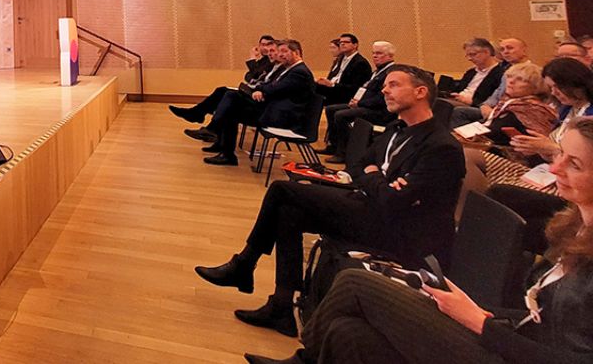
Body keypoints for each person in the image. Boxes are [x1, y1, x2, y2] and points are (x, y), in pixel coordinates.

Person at [244, 117, 593, 364]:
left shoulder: (439, 145)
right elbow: (539, 316)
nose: (555, 168)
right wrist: (476, 312)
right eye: (559, 154)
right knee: (346, 333)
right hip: (506, 334)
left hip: (505, 349)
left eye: (574, 164)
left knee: (353, 282)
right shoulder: (572, 227)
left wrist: (480, 323)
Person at [195, 65, 465, 337]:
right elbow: (358, 165)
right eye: (385, 84)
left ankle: (245, 264)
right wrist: (379, 179)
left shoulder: (442, 147)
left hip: (398, 232)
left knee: (282, 189)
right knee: (288, 213)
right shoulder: (396, 127)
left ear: (420, 92)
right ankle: (281, 306)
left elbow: (391, 200)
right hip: (371, 208)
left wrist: (373, 177)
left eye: (394, 84)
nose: (384, 90)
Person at [479, 58, 593, 253]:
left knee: (502, 204)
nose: (554, 93)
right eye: (551, 88)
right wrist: (540, 148)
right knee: (494, 194)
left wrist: (551, 148)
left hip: (566, 184)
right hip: (547, 169)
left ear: (575, 83)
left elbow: (577, 155)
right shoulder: (567, 109)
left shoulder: (587, 116)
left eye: (558, 87)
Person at [201, 39, 313, 166]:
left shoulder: (299, 72)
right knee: (231, 101)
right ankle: (223, 147)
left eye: (284, 51)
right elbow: (272, 86)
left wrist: (260, 90)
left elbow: (275, 88)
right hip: (274, 110)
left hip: (283, 117)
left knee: (231, 103)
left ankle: (220, 140)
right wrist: (261, 90)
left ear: (296, 53)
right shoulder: (291, 69)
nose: (280, 55)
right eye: (280, 51)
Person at [170, 35, 279, 138]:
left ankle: (207, 124)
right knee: (221, 91)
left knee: (228, 95)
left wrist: (252, 59)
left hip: (259, 99)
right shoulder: (264, 60)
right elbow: (249, 76)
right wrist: (253, 73)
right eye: (263, 45)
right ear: (259, 46)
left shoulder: (272, 61)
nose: (266, 48)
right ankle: (200, 117)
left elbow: (255, 76)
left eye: (269, 46)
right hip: (253, 91)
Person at [319, 41, 398, 159]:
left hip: (380, 111)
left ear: (390, 56)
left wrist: (359, 103)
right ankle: (333, 146)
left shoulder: (390, 73)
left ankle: (343, 153)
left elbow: (381, 99)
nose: (375, 56)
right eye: (373, 53)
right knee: (331, 109)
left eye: (379, 53)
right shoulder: (377, 71)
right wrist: (355, 100)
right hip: (365, 105)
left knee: (341, 115)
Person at [451, 37, 533, 128]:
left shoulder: (533, 72)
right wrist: (486, 105)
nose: (505, 52)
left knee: (458, 111)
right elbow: (497, 93)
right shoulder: (507, 71)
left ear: (524, 50)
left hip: (512, 111)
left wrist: (493, 108)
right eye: (502, 49)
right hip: (495, 108)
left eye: (510, 48)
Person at [444, 38, 506, 108]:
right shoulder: (471, 72)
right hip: (458, 101)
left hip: (475, 106)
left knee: (442, 105)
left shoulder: (500, 74)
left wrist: (472, 102)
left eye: (473, 54)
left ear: (487, 52)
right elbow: (459, 89)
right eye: (467, 55)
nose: (469, 59)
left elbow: (495, 98)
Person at [315, 33, 371, 106]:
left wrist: (332, 84)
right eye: (341, 42)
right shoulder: (340, 59)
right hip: (334, 89)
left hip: (345, 94)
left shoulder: (360, 62)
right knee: (312, 87)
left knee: (316, 96)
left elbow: (355, 87)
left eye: (346, 42)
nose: (342, 44)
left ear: (355, 45)